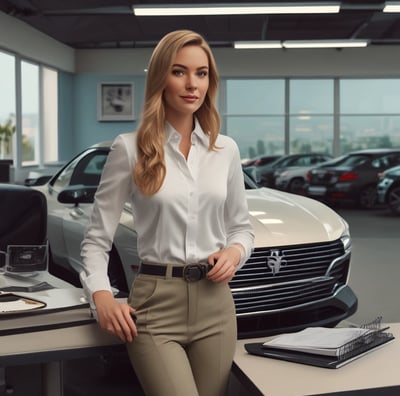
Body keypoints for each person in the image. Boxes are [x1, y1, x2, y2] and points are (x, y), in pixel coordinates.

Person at [80, 29, 254, 396]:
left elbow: (241, 227)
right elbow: (96, 239)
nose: (192, 84)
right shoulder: (129, 149)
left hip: (216, 304)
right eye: (179, 71)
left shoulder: (226, 149)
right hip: (155, 306)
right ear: (161, 76)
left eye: (201, 73)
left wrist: (235, 252)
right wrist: (102, 296)